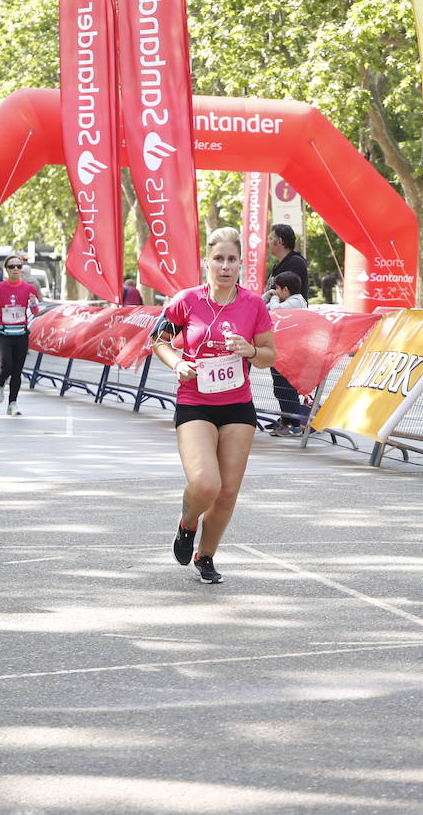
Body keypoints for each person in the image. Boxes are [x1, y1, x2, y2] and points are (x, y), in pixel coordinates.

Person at [152, 227, 277, 584]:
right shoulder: (186, 301)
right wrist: (177, 363)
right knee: (206, 483)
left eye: (232, 260)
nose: (225, 266)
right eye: (219, 259)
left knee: (226, 492)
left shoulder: (253, 304)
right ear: (207, 261)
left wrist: (250, 350)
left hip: (238, 406)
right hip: (195, 403)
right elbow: (157, 340)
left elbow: (270, 355)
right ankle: (187, 523)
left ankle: (205, 556)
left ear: (241, 264)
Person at [0, 255, 41, 416]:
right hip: (3, 333)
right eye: (12, 266)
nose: (16, 269)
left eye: (18, 266)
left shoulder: (28, 288)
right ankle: (0, 385)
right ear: (6, 269)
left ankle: (13, 404)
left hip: (21, 334)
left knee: (17, 371)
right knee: (6, 367)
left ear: (22, 269)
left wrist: (33, 302)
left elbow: (35, 311)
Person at [266, 270, 308, 437]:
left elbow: (275, 310)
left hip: (291, 352)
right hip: (281, 351)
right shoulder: (287, 300)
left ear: (285, 289)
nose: (275, 292)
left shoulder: (296, 301)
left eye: (277, 289)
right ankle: (287, 421)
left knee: (286, 388)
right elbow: (264, 307)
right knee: (279, 388)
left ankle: (295, 424)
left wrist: (274, 297)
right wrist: (267, 295)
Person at [264, 223, 308, 302]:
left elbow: (286, 294)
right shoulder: (279, 265)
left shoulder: (295, 263)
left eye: (270, 238)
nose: (267, 242)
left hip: (290, 313)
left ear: (280, 241)